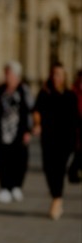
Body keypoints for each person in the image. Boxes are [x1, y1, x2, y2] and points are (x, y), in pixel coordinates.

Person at [32, 62, 79, 220]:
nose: (55, 77)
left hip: (65, 140)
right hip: (48, 138)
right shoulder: (45, 93)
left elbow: (75, 120)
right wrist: (37, 125)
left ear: (64, 76)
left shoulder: (70, 95)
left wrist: (76, 142)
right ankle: (56, 196)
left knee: (58, 170)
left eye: (59, 74)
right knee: (48, 169)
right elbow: (37, 111)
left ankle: (56, 200)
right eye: (53, 73)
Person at [0, 61, 32, 204]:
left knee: (19, 159)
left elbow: (29, 111)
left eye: (9, 73)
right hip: (2, 131)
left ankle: (16, 186)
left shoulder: (23, 90)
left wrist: (28, 130)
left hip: (18, 130)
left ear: (16, 75)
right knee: (3, 159)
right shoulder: (0, 89)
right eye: (6, 73)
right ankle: (4, 187)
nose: (6, 76)